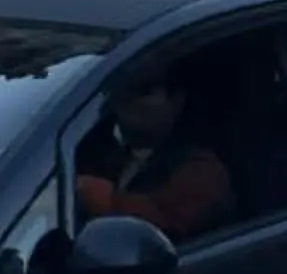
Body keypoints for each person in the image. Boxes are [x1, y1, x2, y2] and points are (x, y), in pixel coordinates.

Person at [75, 70, 235, 243]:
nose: (128, 100)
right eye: (121, 91)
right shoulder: (106, 158)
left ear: (176, 101)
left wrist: (97, 195)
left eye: (144, 91)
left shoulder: (202, 168)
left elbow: (164, 223)